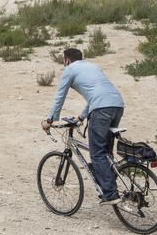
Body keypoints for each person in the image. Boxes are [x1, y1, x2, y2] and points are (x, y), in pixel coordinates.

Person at [41, 48, 125, 206]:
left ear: (66, 60)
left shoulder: (69, 69)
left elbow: (60, 95)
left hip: (101, 109)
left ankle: (111, 193)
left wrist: (50, 120)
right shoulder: (93, 67)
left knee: (97, 153)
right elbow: (98, 95)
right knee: (106, 152)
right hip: (117, 105)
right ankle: (113, 185)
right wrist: (81, 117)